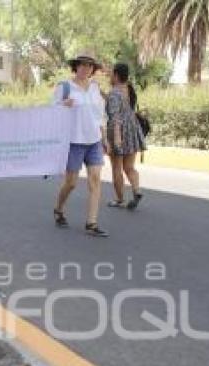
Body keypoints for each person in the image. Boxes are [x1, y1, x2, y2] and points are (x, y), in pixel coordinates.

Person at [52, 54, 109, 237]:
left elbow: (99, 115)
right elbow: (51, 111)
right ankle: (59, 208)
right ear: (75, 67)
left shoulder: (94, 88)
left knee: (95, 180)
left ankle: (91, 223)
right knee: (71, 183)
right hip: (74, 141)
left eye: (89, 66)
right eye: (82, 66)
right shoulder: (65, 87)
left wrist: (104, 138)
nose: (86, 69)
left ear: (93, 69)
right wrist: (62, 104)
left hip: (94, 141)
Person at [106, 63, 146, 210]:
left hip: (119, 131)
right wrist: (101, 93)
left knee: (116, 167)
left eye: (111, 73)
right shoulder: (128, 89)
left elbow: (115, 116)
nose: (110, 76)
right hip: (133, 130)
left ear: (116, 75)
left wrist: (116, 138)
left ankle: (120, 199)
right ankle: (137, 190)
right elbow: (119, 105)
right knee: (129, 167)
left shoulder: (114, 93)